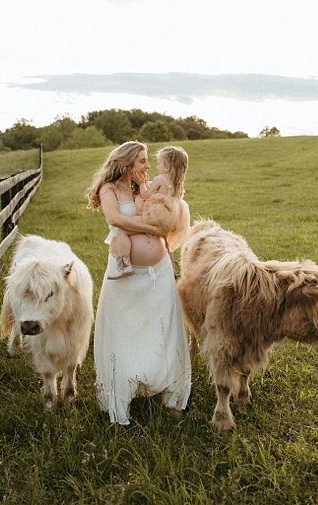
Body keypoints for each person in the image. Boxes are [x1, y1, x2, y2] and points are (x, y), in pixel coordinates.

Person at [85, 141, 191, 425]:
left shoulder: (142, 187)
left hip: (159, 270)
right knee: (124, 330)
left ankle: (173, 395)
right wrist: (149, 228)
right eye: (142, 161)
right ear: (127, 162)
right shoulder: (109, 188)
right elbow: (114, 217)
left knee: (165, 327)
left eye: (148, 161)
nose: (146, 167)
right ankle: (122, 397)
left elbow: (166, 207)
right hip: (125, 275)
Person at [106, 145, 190, 279]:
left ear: (167, 167)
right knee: (165, 238)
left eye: (159, 163)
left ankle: (124, 265)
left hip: (156, 214)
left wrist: (141, 183)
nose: (155, 167)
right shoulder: (177, 183)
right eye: (143, 161)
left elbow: (145, 195)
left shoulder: (159, 179)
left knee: (122, 231)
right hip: (172, 216)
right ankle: (171, 264)